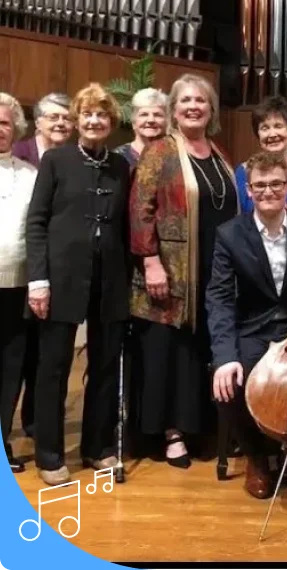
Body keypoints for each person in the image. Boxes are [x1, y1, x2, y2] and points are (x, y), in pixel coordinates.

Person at [207, 151, 287, 499]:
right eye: (259, 185)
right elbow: (218, 298)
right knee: (231, 381)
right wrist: (224, 356)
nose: (268, 191)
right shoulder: (230, 235)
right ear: (248, 190)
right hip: (254, 328)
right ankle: (257, 459)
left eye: (275, 183)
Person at [129, 73, 240, 469]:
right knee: (169, 353)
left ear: (211, 110)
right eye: (185, 101)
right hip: (172, 272)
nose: (194, 106)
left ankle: (200, 425)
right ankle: (171, 432)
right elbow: (141, 208)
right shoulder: (159, 151)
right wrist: (151, 261)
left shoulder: (221, 153)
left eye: (201, 101)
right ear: (173, 110)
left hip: (215, 270)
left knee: (202, 350)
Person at [26, 83, 131, 486]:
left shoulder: (120, 166)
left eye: (101, 114)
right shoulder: (55, 160)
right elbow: (36, 222)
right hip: (61, 278)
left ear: (110, 121)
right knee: (53, 367)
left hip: (110, 280)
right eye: (86, 114)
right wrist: (39, 280)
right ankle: (50, 454)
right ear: (76, 120)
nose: (93, 121)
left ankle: (98, 447)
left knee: (104, 366)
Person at [13, 91, 74, 440]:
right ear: (38, 122)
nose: (61, 123)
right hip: (23, 265)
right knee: (18, 350)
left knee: (48, 351)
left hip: (60, 268)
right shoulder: (20, 155)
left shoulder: (73, 157)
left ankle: (37, 422)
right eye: (53, 117)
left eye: (66, 118)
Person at [0, 93, 38, 473]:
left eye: (5, 122)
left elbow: (37, 231)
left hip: (16, 287)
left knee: (10, 369)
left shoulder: (30, 175)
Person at [115, 88, 168, 168]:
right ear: (133, 121)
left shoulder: (177, 156)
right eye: (144, 114)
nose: (151, 120)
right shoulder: (117, 158)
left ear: (167, 121)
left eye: (157, 115)